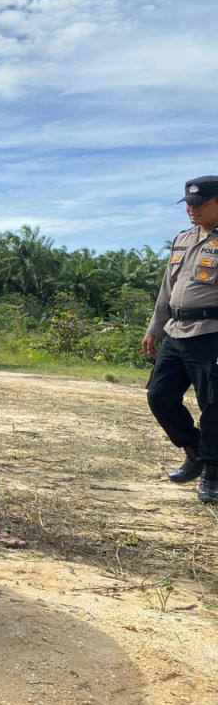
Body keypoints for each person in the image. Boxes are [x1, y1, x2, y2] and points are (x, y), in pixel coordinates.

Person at [142, 175, 218, 504]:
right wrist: (154, 328)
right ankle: (195, 450)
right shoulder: (183, 239)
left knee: (213, 406)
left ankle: (213, 470)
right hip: (176, 331)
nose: (192, 209)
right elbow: (166, 290)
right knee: (159, 396)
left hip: (210, 334)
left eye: (200, 204)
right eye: (188, 203)